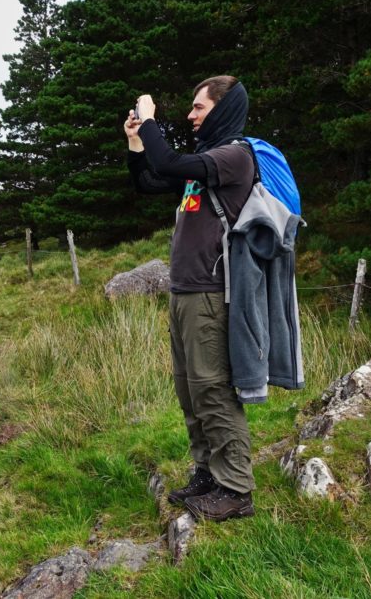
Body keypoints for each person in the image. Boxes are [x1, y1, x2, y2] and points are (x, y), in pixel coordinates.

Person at [124, 76, 256, 521]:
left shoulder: (234, 156)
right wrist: (136, 142)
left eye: (199, 108)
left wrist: (149, 120)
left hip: (210, 294)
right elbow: (151, 179)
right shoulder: (204, 164)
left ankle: (236, 489)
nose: (192, 115)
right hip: (183, 293)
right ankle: (207, 472)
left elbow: (170, 159)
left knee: (213, 390)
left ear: (220, 110)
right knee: (189, 391)